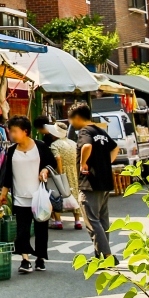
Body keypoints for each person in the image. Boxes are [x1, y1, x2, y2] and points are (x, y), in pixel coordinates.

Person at [0, 116, 56, 273]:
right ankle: (25, 260)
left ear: (25, 131)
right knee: (22, 231)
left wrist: (45, 170)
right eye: (11, 131)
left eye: (15, 131)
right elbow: (7, 175)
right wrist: (3, 194)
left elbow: (52, 163)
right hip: (20, 197)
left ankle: (40, 258)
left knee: (41, 230)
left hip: (39, 197)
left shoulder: (40, 146)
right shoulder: (12, 151)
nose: (12, 134)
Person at [70, 103, 119, 260]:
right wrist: (105, 162)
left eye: (71, 119)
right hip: (104, 181)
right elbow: (115, 148)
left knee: (92, 221)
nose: (71, 123)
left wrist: (83, 163)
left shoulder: (85, 131)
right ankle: (100, 255)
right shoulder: (100, 131)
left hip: (90, 182)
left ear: (77, 117)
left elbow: (86, 146)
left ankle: (107, 255)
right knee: (102, 221)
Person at [38, 117, 83, 231]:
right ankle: (77, 221)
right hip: (74, 171)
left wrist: (60, 173)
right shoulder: (73, 143)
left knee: (56, 195)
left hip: (60, 171)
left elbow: (58, 158)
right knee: (74, 194)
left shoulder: (55, 145)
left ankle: (58, 221)